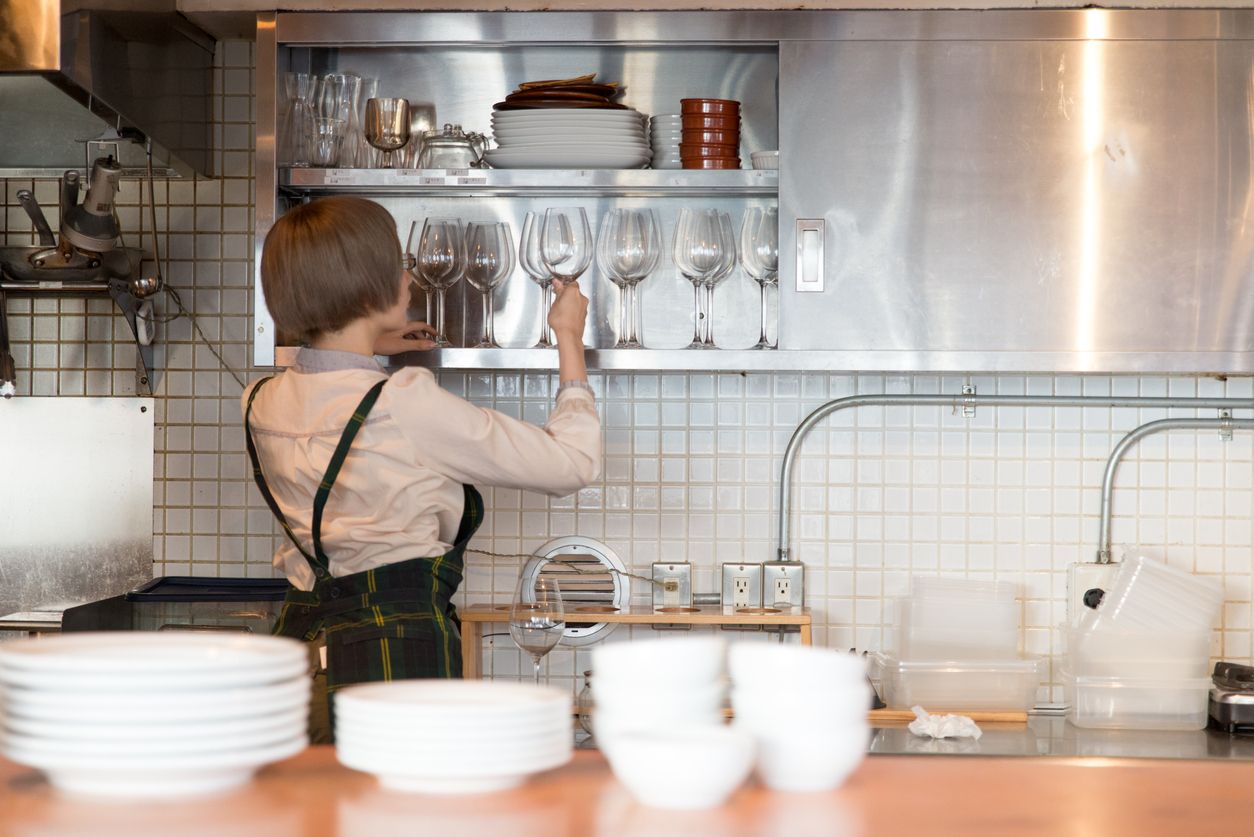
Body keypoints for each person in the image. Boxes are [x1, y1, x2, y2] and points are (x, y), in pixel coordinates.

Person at [242, 196, 601, 741]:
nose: (408, 275)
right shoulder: (403, 400)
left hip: (300, 651)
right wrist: (569, 337)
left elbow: (326, 378)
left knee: (315, 815)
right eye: (398, 262)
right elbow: (572, 464)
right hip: (396, 647)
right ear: (368, 286)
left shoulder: (259, 400)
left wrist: (375, 342)